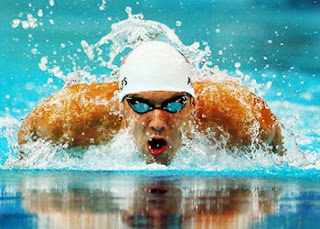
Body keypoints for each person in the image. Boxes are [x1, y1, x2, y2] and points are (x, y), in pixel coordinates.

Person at [18, 41, 284, 165]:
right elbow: (26, 139)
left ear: (194, 106)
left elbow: (279, 153)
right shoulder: (72, 117)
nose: (158, 123)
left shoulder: (239, 117)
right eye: (141, 106)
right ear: (121, 108)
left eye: (174, 105)